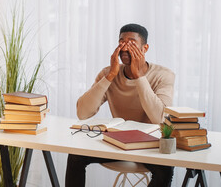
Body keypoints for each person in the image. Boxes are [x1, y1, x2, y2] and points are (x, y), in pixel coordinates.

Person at [65, 24, 175, 187]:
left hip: (149, 147)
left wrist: (138, 76)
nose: (124, 47)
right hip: (116, 144)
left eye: (131, 42)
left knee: (165, 169)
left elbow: (160, 118)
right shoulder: (109, 73)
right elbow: (83, 113)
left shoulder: (163, 75)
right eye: (121, 42)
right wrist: (110, 76)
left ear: (144, 48)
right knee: (75, 155)